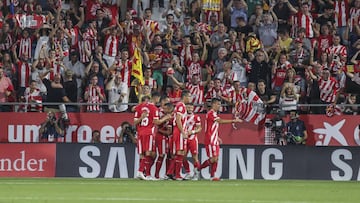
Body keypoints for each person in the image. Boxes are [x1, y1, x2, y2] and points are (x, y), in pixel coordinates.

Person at [199, 98, 242, 181]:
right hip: (210, 139)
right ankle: (198, 169)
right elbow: (220, 121)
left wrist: (217, 137)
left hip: (214, 138)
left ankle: (213, 176)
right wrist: (233, 120)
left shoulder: (214, 113)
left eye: (220, 104)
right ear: (213, 104)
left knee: (216, 158)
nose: (219, 106)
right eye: (218, 104)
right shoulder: (211, 113)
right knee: (213, 159)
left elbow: (212, 126)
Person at [134, 92, 171, 180]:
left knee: (142, 153)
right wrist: (166, 118)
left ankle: (144, 173)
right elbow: (156, 122)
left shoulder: (139, 107)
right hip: (149, 132)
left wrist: (141, 118)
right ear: (157, 98)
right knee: (148, 153)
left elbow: (135, 122)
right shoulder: (154, 108)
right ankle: (142, 172)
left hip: (140, 132)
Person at [166, 90, 192, 180]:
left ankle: (170, 172)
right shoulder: (181, 105)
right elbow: (178, 120)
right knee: (180, 152)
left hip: (179, 130)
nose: (190, 98)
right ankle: (177, 175)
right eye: (189, 96)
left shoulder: (180, 105)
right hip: (179, 131)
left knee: (179, 153)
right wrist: (183, 132)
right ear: (184, 97)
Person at [183, 103, 202, 180]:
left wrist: (193, 132)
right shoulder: (182, 117)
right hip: (184, 139)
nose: (189, 109)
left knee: (195, 157)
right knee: (183, 156)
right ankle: (188, 173)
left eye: (191, 107)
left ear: (193, 108)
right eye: (188, 107)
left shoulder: (196, 117)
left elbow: (199, 128)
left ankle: (196, 174)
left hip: (193, 139)